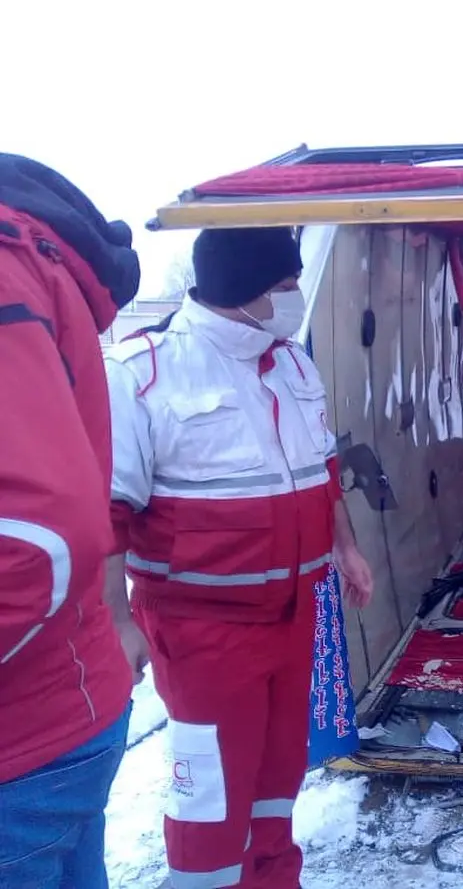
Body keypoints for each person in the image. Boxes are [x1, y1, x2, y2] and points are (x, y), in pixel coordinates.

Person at [103, 227, 374, 889]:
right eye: (284, 287)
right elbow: (104, 513)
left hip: (291, 617)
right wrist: (117, 621)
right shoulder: (144, 372)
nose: (294, 298)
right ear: (244, 288)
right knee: (214, 799)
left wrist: (346, 546)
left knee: (277, 780)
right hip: (203, 631)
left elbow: (321, 468)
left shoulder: (292, 364)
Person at [0, 153, 142, 888]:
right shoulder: (154, 366)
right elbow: (103, 505)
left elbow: (40, 535)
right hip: (67, 696)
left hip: (24, 737)